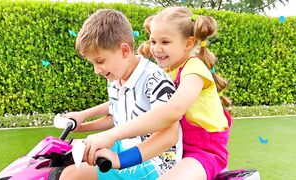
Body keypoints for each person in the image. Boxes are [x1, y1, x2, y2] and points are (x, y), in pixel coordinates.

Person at [84, 6, 232, 180]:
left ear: (189, 43)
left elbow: (172, 111)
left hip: (203, 151)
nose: (156, 48)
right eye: (153, 42)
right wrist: (84, 118)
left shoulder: (194, 70)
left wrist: (113, 135)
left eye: (165, 42)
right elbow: (118, 104)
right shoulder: (167, 72)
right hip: (178, 146)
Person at [59, 9, 182, 180]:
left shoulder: (154, 80)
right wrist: (83, 122)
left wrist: (120, 159)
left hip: (157, 161)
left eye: (100, 61)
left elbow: (169, 135)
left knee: (71, 176)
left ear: (124, 51)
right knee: (67, 160)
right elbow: (118, 113)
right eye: (92, 63)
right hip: (126, 146)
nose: (96, 70)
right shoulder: (116, 77)